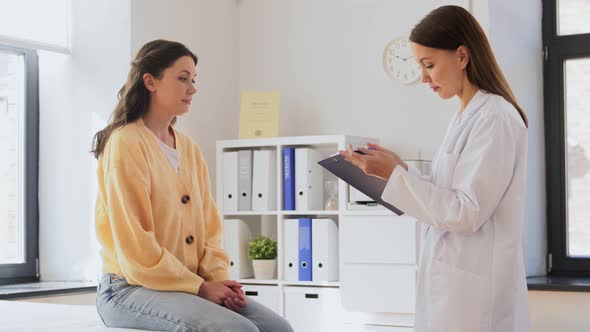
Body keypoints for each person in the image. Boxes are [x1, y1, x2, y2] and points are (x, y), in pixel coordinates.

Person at [340, 6, 531, 332]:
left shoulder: (494, 117)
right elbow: (448, 193)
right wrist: (401, 171)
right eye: (419, 66)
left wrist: (395, 177)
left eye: (429, 65)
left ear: (461, 56)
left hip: (475, 293)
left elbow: (466, 212)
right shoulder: (465, 115)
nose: (423, 77)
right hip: (452, 284)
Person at [91, 39, 293, 332]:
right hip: (128, 288)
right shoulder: (125, 143)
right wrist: (200, 288)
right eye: (183, 79)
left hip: (186, 285)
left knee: (278, 328)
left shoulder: (189, 148)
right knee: (239, 330)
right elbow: (135, 244)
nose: (192, 89)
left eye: (193, 80)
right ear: (150, 82)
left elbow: (210, 229)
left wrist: (216, 280)